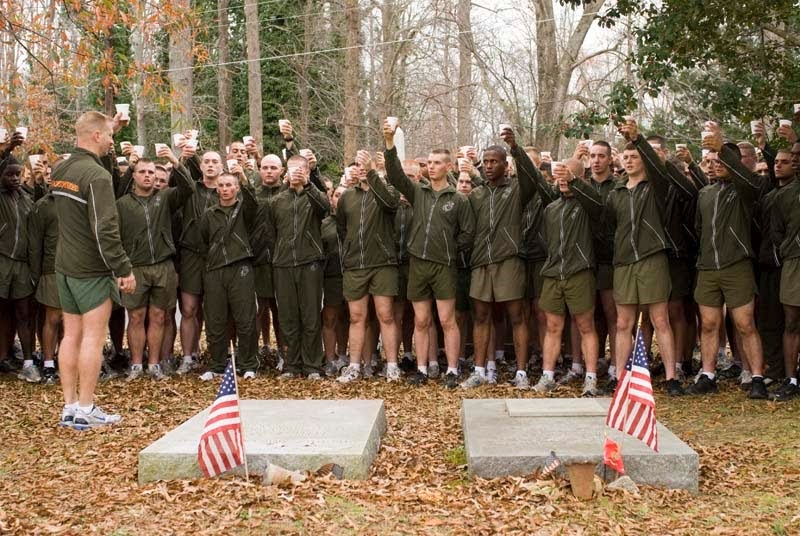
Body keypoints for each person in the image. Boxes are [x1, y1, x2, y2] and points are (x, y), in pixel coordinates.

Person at [50, 111, 135, 429]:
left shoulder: (62, 169)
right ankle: (86, 409)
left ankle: (70, 406)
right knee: (92, 337)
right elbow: (105, 228)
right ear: (97, 136)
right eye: (110, 136)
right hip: (90, 269)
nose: (113, 140)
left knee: (70, 335)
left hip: (64, 266)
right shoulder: (95, 176)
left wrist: (112, 126)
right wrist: (122, 268)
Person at [383, 119, 475, 388]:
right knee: (421, 320)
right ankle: (421, 369)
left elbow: (467, 234)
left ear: (448, 166)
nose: (431, 166)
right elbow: (395, 174)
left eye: (436, 163)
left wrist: (449, 251)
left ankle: (452, 371)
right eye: (429, 163)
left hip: (444, 266)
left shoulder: (457, 199)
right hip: (418, 265)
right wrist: (389, 143)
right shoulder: (418, 191)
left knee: (447, 320)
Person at [688, 122, 767, 399]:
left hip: (737, 265)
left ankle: (757, 377)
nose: (718, 164)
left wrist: (722, 147)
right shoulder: (705, 193)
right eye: (714, 160)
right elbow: (699, 229)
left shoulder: (745, 190)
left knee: (745, 324)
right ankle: (708, 374)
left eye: (724, 160)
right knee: (709, 324)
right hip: (708, 268)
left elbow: (751, 183)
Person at [461, 127, 539, 389]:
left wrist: (516, 148)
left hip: (510, 260)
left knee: (517, 316)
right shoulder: (477, 194)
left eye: (495, 162)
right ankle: (480, 370)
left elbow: (532, 177)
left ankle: (521, 373)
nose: (489, 166)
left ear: (506, 166)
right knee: (481, 316)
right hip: (481, 262)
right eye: (486, 162)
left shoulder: (517, 189)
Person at [116, 146, 193, 381]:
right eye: (142, 172)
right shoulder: (123, 204)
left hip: (163, 266)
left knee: (160, 317)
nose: (148, 176)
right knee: (136, 317)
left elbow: (188, 188)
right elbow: (115, 237)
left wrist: (174, 162)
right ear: (134, 175)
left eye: (151, 172)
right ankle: (136, 364)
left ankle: (154, 364)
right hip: (135, 267)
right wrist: (122, 268)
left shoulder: (165, 198)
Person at [532, 159, 602, 396]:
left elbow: (598, 205)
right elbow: (543, 238)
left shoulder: (587, 204)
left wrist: (575, 181)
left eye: (568, 175)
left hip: (579, 273)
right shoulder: (551, 208)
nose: (563, 179)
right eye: (559, 175)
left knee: (585, 325)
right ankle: (548, 376)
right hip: (553, 274)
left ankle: (591, 378)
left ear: (580, 178)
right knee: (552, 326)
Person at [336, 150, 402, 383]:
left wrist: (375, 174)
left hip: (383, 263)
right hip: (355, 265)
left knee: (385, 315)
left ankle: (392, 365)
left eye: (366, 165)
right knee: (356, 317)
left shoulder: (387, 190)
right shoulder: (346, 197)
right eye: (358, 165)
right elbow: (342, 229)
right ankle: (354, 366)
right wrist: (352, 249)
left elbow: (391, 203)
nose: (362, 168)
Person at [267, 155, 330, 378]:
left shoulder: (315, 196)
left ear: (306, 171)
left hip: (310, 262)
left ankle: (313, 365)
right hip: (283, 264)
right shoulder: (277, 200)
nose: (295, 174)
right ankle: (292, 365)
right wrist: (278, 254)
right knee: (288, 317)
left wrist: (308, 184)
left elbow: (325, 209)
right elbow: (271, 232)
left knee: (311, 315)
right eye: (291, 170)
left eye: (299, 170)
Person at [198, 172, 259, 380]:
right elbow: (204, 239)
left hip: (240, 267)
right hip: (215, 269)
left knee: (246, 318)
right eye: (221, 185)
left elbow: (252, 202)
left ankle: (248, 363)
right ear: (217, 189)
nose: (225, 189)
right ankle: (216, 365)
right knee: (215, 319)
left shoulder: (244, 209)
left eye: (229, 185)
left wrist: (243, 177)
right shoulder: (209, 213)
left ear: (236, 188)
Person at [176, 150, 221, 375]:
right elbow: (179, 178)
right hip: (191, 255)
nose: (210, 165)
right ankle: (187, 356)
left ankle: (217, 357)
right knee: (189, 309)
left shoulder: (227, 191)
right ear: (200, 166)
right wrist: (183, 156)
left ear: (222, 167)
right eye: (206, 162)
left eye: (215, 161)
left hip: (216, 257)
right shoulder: (191, 189)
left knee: (215, 310)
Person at [0, 155, 38, 382]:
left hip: (23, 263)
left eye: (17, 174)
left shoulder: (26, 197)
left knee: (24, 313)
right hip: (2, 259)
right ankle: (3, 356)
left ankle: (28, 360)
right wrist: (8, 148)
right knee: (2, 310)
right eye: (9, 174)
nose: (14, 178)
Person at [770, 146, 800, 401]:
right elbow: (776, 231)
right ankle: (791, 379)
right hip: (793, 262)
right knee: (791, 321)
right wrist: (789, 249)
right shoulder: (784, 195)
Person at [29, 172, 62, 384]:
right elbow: (34, 244)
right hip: (51, 270)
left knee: (71, 322)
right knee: (52, 318)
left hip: (77, 269)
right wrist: (36, 274)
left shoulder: (78, 201)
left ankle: (65, 360)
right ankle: (49, 363)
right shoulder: (42, 206)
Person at [252, 154, 285, 363]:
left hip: (281, 260)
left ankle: (284, 352)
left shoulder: (287, 193)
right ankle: (254, 354)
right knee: (258, 308)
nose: (269, 171)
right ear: (260, 170)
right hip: (257, 259)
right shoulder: (253, 195)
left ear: (281, 171)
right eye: (265, 167)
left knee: (281, 309)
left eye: (273, 167)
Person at [321, 185, 349, 376]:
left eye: (344, 196)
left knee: (350, 317)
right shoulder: (323, 224)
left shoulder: (355, 220)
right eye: (337, 195)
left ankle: (344, 355)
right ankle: (330, 359)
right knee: (330, 317)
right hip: (331, 276)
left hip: (353, 274)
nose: (340, 199)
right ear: (331, 198)